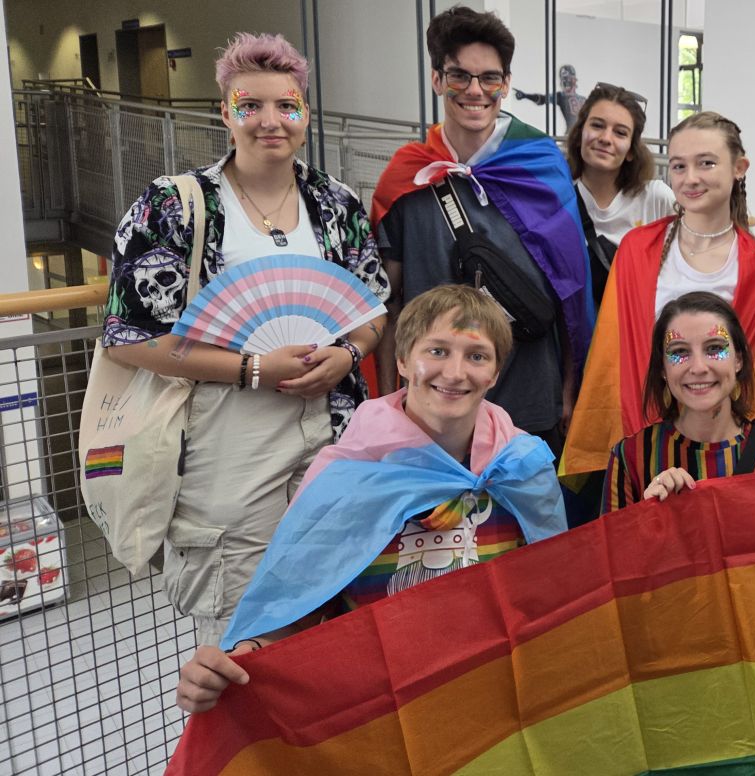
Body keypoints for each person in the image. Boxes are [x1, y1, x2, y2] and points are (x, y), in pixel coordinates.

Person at [103, 33, 389, 645]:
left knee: (337, 602)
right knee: (243, 623)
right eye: (249, 106)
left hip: (332, 426)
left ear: (305, 114)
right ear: (224, 114)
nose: (269, 121)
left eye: (286, 105)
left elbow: (372, 309)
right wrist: (252, 367)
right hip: (226, 435)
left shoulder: (336, 203)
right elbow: (127, 338)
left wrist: (349, 353)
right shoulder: (176, 206)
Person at [175, 285, 567, 713]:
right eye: (437, 351)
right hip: (383, 709)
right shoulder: (347, 480)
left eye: (476, 356)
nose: (455, 373)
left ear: (494, 373)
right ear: (402, 361)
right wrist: (239, 660)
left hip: (494, 700)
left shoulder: (521, 469)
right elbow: (296, 610)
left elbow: (550, 593)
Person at [371, 6, 593, 453]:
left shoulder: (539, 166)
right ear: (438, 80)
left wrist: (571, 392)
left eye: (490, 78)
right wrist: (386, 403)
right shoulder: (408, 175)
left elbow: (570, 291)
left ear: (505, 85)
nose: (475, 91)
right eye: (460, 76)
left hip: (529, 400)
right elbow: (387, 304)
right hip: (432, 406)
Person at [561, 111, 755, 482]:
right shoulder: (637, 250)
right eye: (678, 166)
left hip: (726, 449)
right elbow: (615, 358)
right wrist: (645, 447)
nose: (690, 178)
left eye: (706, 163)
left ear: (739, 168)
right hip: (646, 438)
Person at [603, 292, 755, 512]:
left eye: (714, 348)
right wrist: (645, 516)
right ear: (663, 369)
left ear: (738, 360)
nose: (699, 368)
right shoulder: (631, 457)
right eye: (680, 351)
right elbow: (611, 536)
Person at [566, 82, 675, 306]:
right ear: (579, 134)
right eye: (597, 125)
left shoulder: (656, 199)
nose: (606, 138)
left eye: (620, 133)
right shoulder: (560, 200)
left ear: (631, 150)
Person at [513, 63, 586, 129]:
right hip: (572, 134)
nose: (565, 82)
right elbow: (542, 99)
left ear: (574, 79)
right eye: (564, 79)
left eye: (568, 79)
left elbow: (541, 99)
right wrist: (525, 96)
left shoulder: (583, 100)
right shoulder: (561, 96)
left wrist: (525, 96)